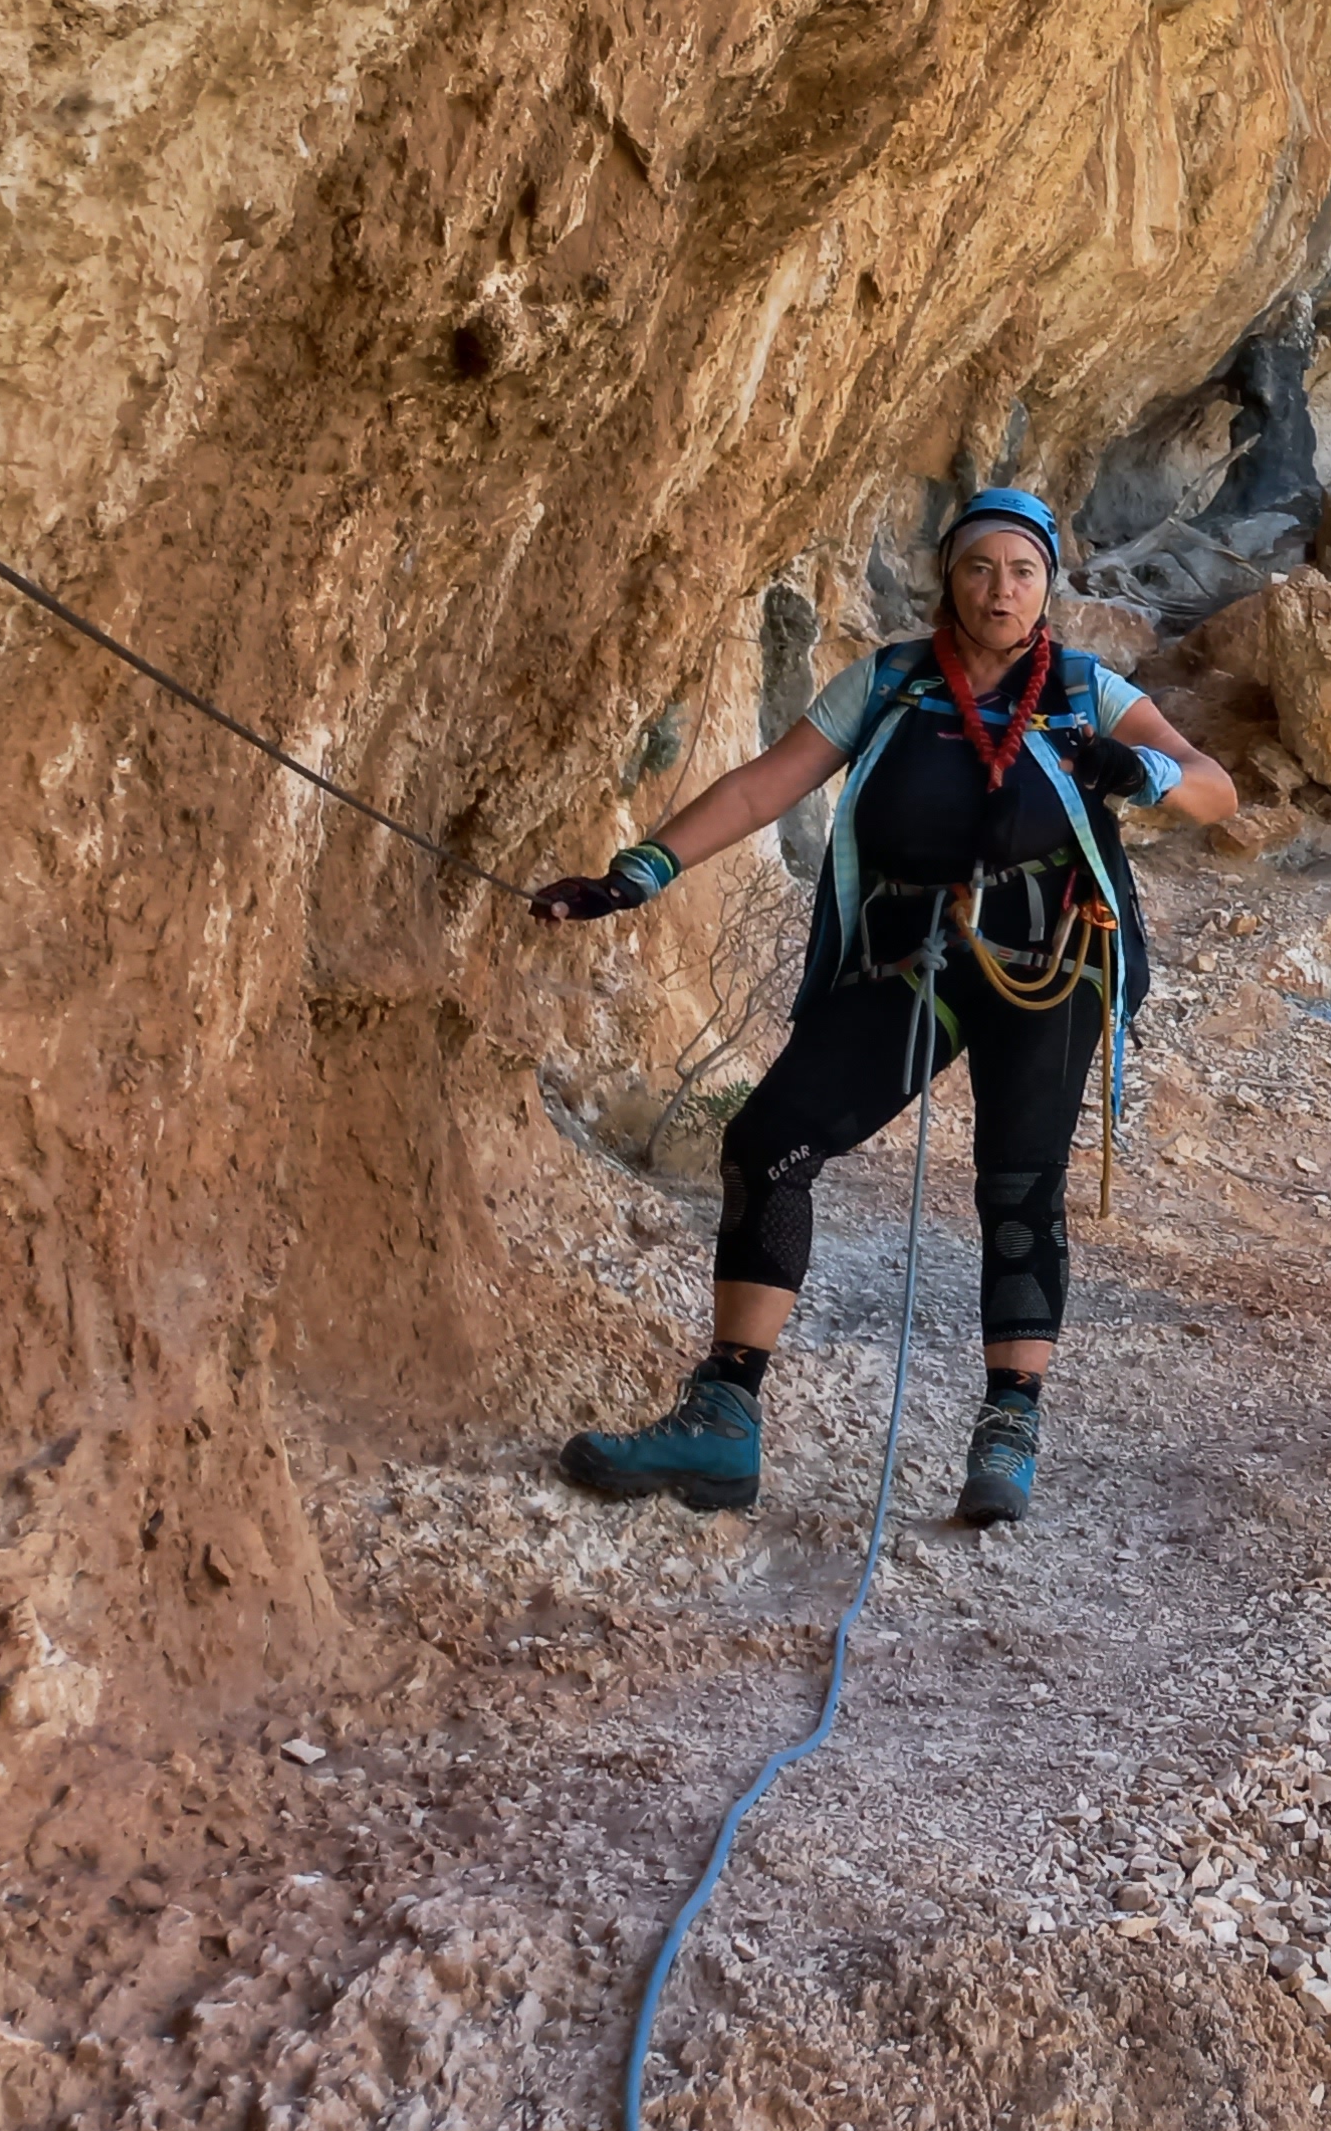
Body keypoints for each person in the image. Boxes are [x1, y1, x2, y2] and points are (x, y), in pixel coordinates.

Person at [527, 489, 1236, 1526]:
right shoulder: (893, 682)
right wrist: (639, 871)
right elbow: (767, 785)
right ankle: (725, 1416)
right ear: (949, 579)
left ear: (1047, 587)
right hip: (917, 957)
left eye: (1023, 571)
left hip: (1054, 961)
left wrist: (1145, 769)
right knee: (770, 1138)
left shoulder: (1086, 689)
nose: (1001, 588)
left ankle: (1008, 1425)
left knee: (1019, 1182)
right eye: (981, 568)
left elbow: (1216, 790)